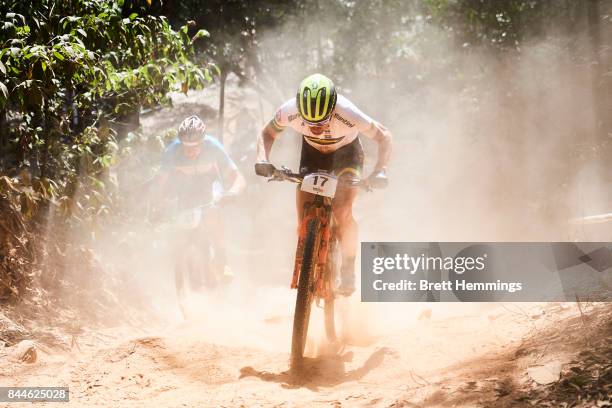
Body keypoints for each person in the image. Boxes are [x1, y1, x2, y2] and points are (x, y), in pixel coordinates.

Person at [255, 73, 392, 296]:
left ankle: (348, 269)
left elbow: (384, 136)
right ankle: (308, 258)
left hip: (347, 154)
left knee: (342, 210)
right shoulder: (290, 110)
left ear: (333, 110)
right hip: (313, 154)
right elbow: (267, 133)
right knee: (302, 219)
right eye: (309, 123)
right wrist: (262, 159)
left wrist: (380, 171)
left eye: (321, 121)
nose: (315, 127)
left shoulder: (348, 113)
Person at [155, 115, 246, 281]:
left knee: (213, 215)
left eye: (195, 146)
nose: (190, 151)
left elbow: (237, 176)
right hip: (184, 191)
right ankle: (179, 265)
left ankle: (222, 261)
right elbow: (160, 183)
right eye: (186, 146)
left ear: (203, 142)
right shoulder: (172, 151)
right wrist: (157, 204)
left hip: (210, 187)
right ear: (180, 142)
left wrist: (232, 193)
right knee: (176, 227)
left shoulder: (213, 147)